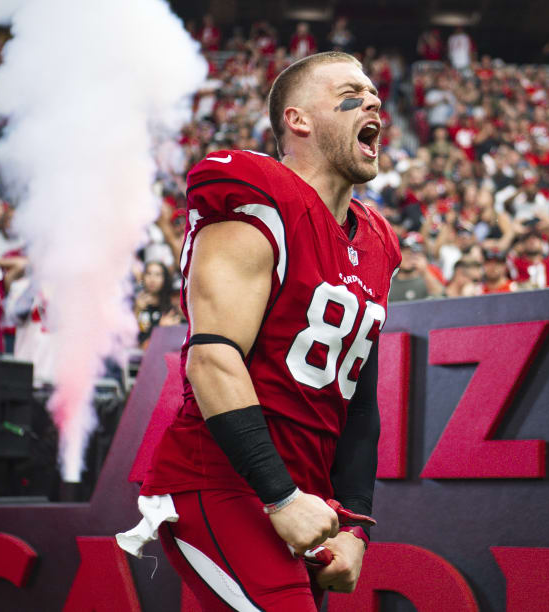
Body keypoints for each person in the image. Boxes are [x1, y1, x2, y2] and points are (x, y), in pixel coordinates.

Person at [118, 51, 401, 610]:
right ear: (298, 119)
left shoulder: (377, 240)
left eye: (373, 93)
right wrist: (280, 497)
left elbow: (358, 400)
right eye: (351, 93)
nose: (373, 102)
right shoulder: (257, 195)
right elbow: (212, 358)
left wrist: (355, 524)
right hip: (222, 481)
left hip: (305, 495)